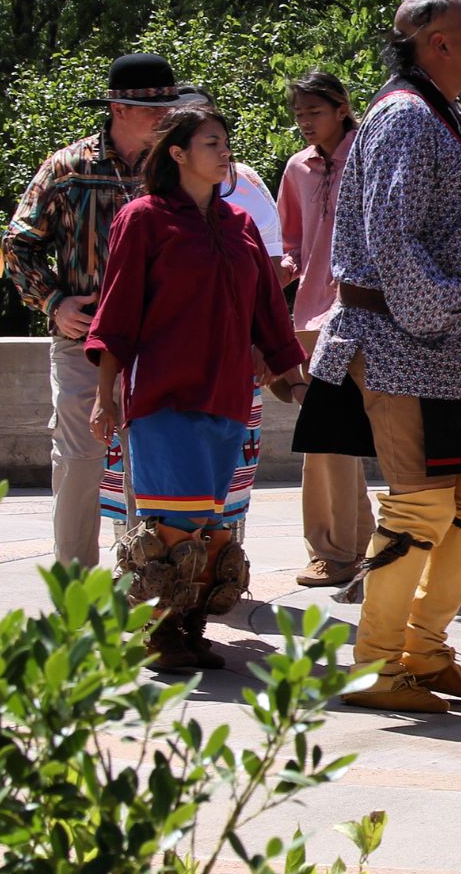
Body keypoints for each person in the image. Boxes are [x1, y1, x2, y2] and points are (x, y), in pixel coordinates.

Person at [294, 0, 461, 714]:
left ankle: (425, 647)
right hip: (400, 348)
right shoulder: (406, 117)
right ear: (436, 40)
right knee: (419, 508)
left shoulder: (451, 118)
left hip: (456, 353)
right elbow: (393, 243)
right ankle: (377, 667)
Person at [84, 104, 307, 669]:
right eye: (211, 143)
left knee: (213, 523)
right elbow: (117, 314)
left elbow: (270, 314)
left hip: (230, 394)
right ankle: (157, 635)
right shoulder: (144, 218)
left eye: (225, 142)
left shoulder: (240, 225)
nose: (224, 151)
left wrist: (294, 377)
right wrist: (104, 395)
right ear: (178, 153)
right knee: (173, 521)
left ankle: (191, 626)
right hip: (163, 393)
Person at [1, 53, 183, 567]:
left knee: (150, 464)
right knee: (80, 461)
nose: (167, 118)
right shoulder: (68, 168)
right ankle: (75, 584)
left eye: (172, 108)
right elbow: (17, 243)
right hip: (83, 341)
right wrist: (54, 302)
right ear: (118, 109)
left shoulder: (172, 168)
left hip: (159, 343)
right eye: (156, 110)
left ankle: (147, 578)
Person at [276, 71, 376, 587]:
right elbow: (289, 240)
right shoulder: (297, 168)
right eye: (298, 116)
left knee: (357, 436)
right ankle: (338, 549)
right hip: (313, 317)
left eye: (313, 112)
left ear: (341, 107)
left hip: (369, 313)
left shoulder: (371, 152)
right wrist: (281, 271)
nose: (305, 123)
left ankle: (351, 547)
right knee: (325, 438)